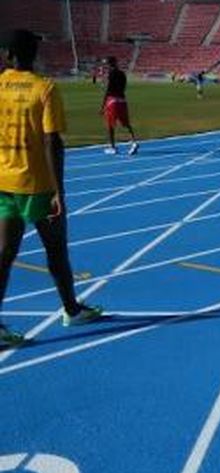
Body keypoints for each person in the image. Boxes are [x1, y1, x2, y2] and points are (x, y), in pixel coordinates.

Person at [0, 30, 103, 346]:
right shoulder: (44, 88)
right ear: (35, 55)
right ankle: (71, 310)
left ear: (8, 55)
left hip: (4, 182)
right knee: (56, 250)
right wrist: (59, 190)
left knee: (4, 254)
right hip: (38, 185)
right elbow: (52, 141)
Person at [100, 56, 138, 155]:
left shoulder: (110, 74)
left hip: (112, 101)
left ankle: (112, 147)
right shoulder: (122, 74)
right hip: (122, 100)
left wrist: (103, 106)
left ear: (109, 64)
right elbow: (123, 87)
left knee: (110, 125)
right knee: (126, 123)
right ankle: (134, 141)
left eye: (106, 64)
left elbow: (107, 90)